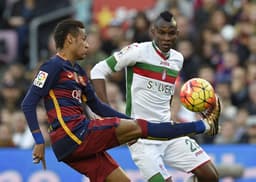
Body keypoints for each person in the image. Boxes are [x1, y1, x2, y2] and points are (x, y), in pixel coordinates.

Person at [21, 19, 221, 182]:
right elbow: (28, 103)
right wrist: (38, 140)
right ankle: (202, 125)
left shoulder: (79, 73)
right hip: (74, 134)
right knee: (143, 128)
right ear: (70, 40)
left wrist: (127, 121)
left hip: (75, 145)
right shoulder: (52, 67)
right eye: (83, 39)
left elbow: (98, 106)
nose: (88, 45)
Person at [90, 11, 219, 182]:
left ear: (177, 34)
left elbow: (166, 94)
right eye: (162, 32)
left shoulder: (177, 59)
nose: (166, 37)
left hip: (168, 132)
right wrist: (105, 111)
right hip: (141, 137)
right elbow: (98, 70)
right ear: (153, 32)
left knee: (211, 176)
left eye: (171, 33)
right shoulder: (137, 51)